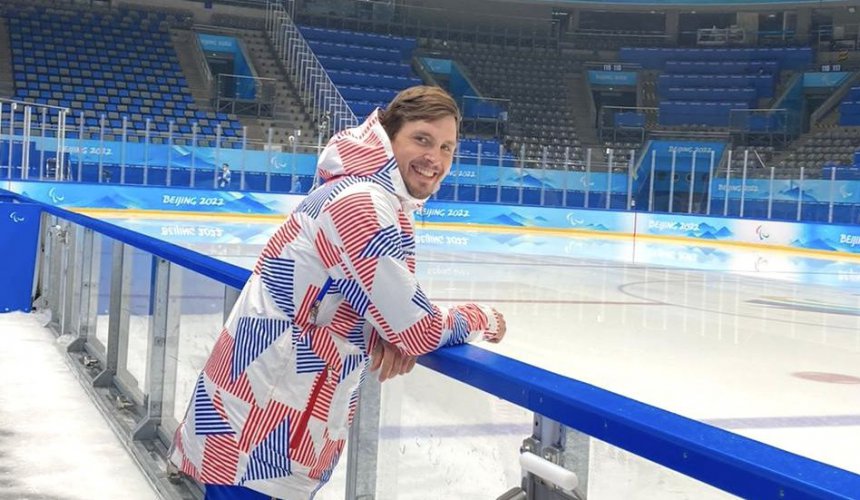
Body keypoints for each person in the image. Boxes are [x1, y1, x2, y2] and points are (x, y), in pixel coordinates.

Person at [169, 86, 507, 500]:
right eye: (422, 139)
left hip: (268, 419)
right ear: (389, 134)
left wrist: (385, 326)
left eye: (447, 148)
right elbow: (418, 330)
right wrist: (481, 318)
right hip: (261, 432)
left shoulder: (366, 192)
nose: (435, 159)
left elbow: (368, 300)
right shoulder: (360, 202)